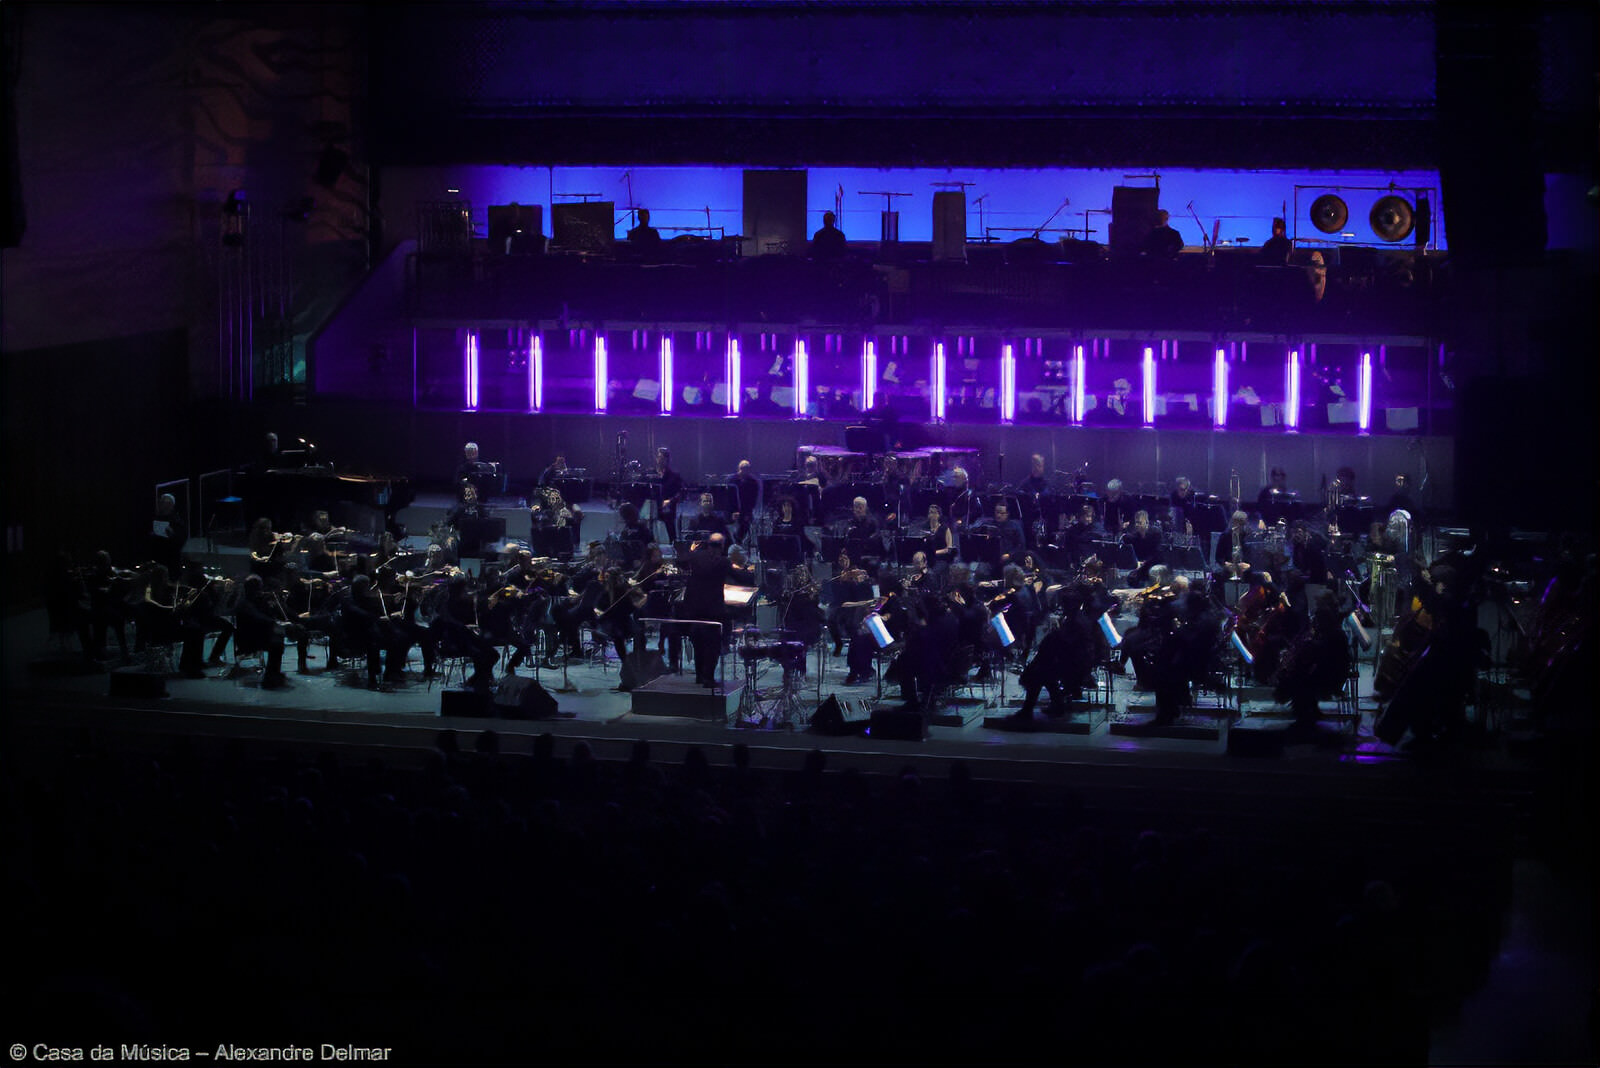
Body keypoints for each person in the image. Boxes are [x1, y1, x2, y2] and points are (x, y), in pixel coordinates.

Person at [679, 533, 747, 688]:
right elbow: (739, 577)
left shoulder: (696, 557)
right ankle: (708, 678)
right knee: (712, 644)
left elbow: (681, 561)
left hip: (694, 606)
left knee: (697, 641)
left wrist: (691, 551)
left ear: (708, 544)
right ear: (722, 546)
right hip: (712, 609)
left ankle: (699, 676)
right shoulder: (723, 562)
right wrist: (748, 573)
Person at [147, 493, 188, 574]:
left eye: (167, 503)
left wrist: (173, 535)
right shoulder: (155, 518)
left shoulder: (177, 521)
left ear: (172, 505)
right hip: (157, 557)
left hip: (171, 560)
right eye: (162, 502)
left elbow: (181, 540)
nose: (164, 506)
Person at [655, 448, 685, 545]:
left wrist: (670, 501)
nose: (660, 460)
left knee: (670, 533)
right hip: (654, 508)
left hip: (668, 509)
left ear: (668, 460)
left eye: (663, 458)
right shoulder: (652, 475)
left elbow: (680, 492)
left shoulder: (674, 476)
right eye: (659, 457)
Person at [731, 460, 761, 545]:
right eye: (742, 468)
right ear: (739, 468)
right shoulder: (733, 480)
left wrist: (748, 511)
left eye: (746, 469)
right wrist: (733, 510)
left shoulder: (753, 481)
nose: (744, 471)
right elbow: (729, 496)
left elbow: (753, 498)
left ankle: (739, 543)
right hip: (733, 508)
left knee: (745, 526)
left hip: (746, 508)